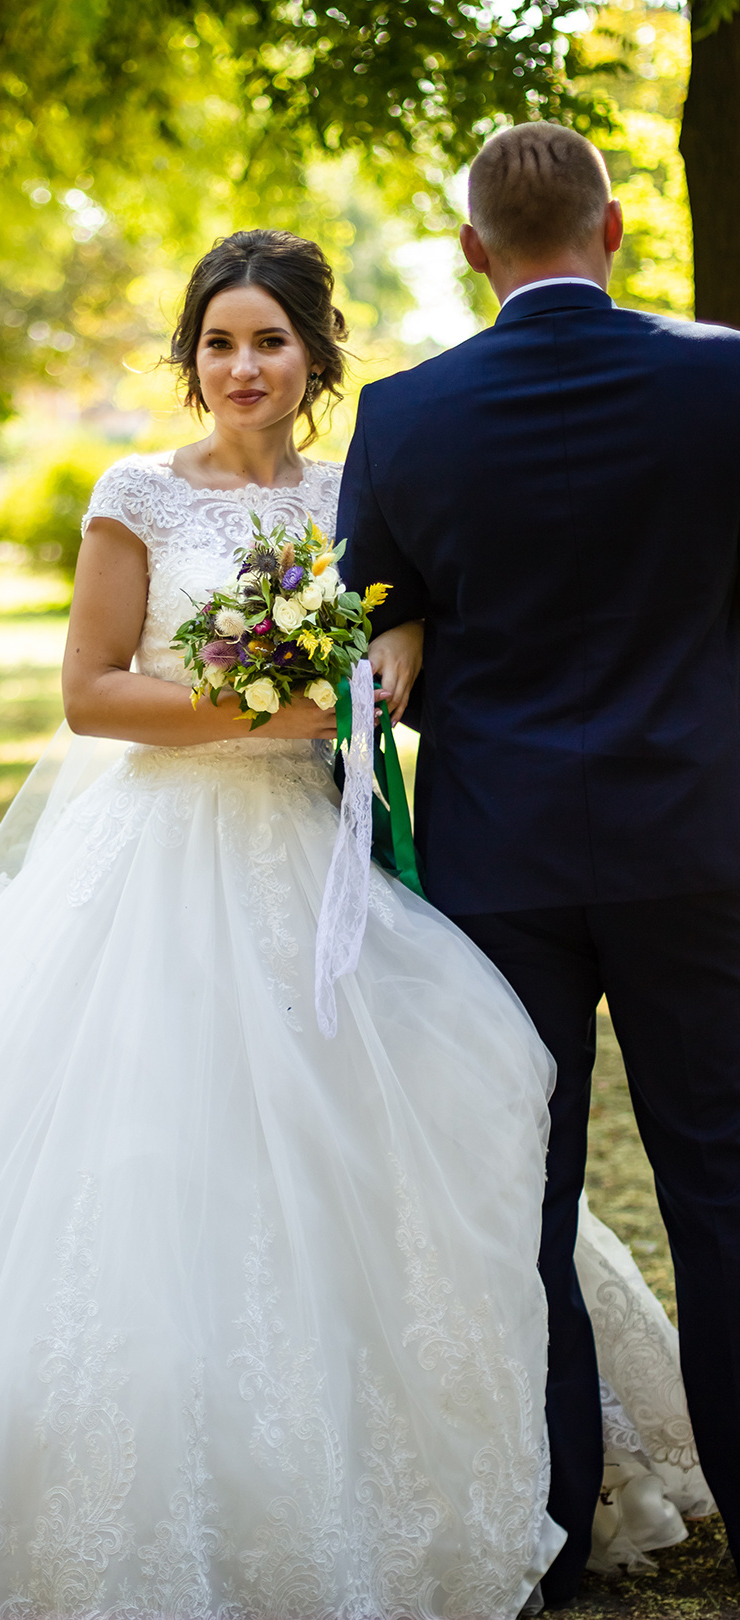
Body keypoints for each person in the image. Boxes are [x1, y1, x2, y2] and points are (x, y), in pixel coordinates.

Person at [0, 229, 567, 1618]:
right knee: (129, 1154)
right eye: (218, 342)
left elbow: (398, 639)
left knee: (358, 1147)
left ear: (317, 355)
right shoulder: (137, 491)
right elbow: (90, 696)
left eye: (268, 341)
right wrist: (268, 706)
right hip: (156, 861)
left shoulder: (354, 495)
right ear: (190, 358)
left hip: (309, 869)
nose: (242, 366)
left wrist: (379, 672)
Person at [339, 122, 740, 1607]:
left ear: (469, 251)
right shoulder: (725, 380)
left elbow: (379, 644)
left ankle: (554, 1531)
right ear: (615, 228)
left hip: (502, 856)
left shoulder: (406, 415)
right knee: (727, 1187)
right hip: (703, 841)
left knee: (524, 1202)